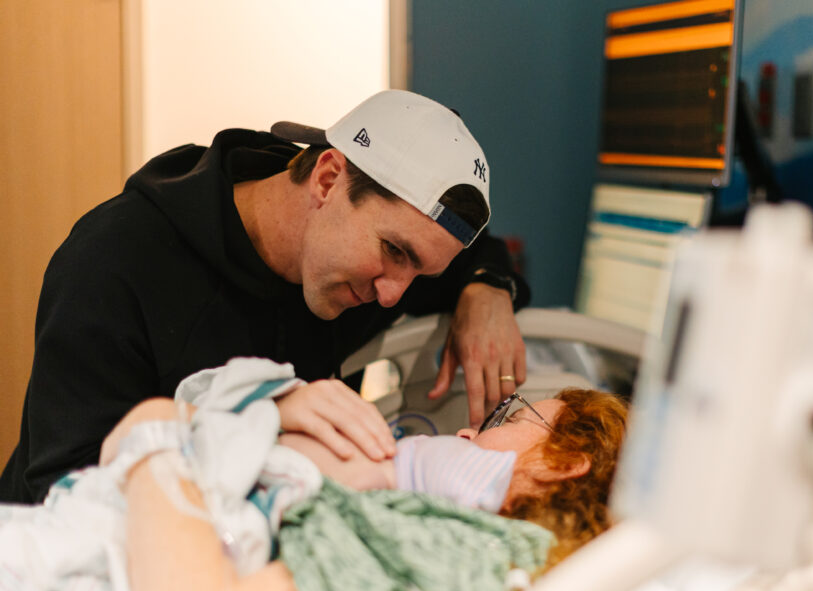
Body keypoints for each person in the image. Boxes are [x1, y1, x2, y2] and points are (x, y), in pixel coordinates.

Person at [2, 89, 530, 504]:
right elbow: (64, 489)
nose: (393, 296)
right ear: (327, 179)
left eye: (421, 271)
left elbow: (467, 256)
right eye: (393, 251)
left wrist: (487, 289)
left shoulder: (362, 265)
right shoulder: (115, 264)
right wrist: (261, 416)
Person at [1, 385, 628, 591]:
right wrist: (264, 417)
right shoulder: (405, 517)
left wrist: (160, 426)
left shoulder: (455, 558)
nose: (467, 432)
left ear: (565, 460)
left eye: (507, 415)